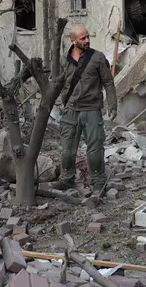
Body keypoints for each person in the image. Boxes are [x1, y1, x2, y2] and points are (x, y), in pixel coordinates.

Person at [53, 25, 117, 194]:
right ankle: (66, 180)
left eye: (88, 36)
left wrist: (112, 104)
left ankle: (98, 182)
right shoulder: (63, 60)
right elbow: (58, 83)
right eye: (82, 38)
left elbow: (108, 83)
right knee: (67, 150)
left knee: (95, 149)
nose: (87, 40)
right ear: (73, 41)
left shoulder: (97, 57)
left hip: (91, 110)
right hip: (70, 110)